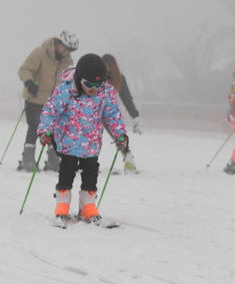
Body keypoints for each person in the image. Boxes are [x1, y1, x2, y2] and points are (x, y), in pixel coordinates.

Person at [37, 54, 129, 227]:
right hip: (68, 142)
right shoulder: (65, 90)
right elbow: (50, 110)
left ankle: (87, 206)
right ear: (79, 79)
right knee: (67, 173)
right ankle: (62, 205)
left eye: (98, 84)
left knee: (91, 174)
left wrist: (120, 135)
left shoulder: (106, 92)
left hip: (91, 143)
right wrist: (45, 130)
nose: (93, 89)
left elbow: (113, 115)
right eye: (88, 84)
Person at [17, 30, 79, 172]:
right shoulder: (40, 53)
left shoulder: (67, 61)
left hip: (53, 101)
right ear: (59, 43)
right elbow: (24, 69)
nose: (67, 52)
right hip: (34, 96)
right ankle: (28, 160)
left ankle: (53, 160)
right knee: (35, 126)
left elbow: (67, 80)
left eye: (70, 50)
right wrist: (29, 83)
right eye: (66, 48)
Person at [103, 53, 142, 173]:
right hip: (94, 111)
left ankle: (129, 161)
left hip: (109, 112)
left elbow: (127, 99)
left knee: (119, 137)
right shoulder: (96, 77)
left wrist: (135, 117)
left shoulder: (119, 78)